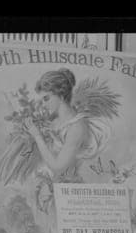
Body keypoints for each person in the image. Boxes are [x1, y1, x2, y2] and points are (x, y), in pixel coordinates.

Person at [22, 68, 108, 211]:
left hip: (67, 194)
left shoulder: (76, 128)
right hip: (48, 188)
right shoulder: (54, 120)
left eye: (46, 98)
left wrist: (37, 136)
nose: (43, 104)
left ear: (61, 96)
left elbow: (58, 166)